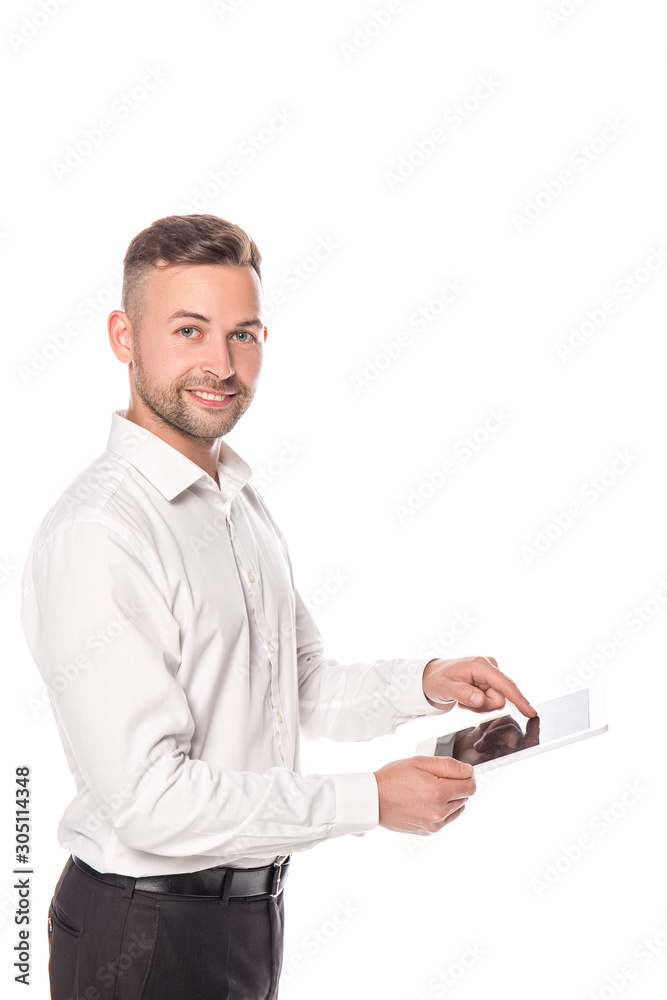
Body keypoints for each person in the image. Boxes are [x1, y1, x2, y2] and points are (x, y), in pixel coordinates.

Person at [20, 213, 536, 1000]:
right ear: (124, 336)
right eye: (189, 330)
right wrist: (370, 799)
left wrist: (427, 682)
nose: (220, 365)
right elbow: (150, 802)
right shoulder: (100, 533)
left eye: (244, 334)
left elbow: (293, 683)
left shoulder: (235, 501)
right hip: (144, 935)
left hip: (247, 920)